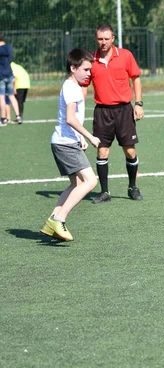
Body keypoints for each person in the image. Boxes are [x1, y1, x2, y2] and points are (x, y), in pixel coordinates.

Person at [40, 49, 101, 241]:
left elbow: (72, 120)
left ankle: (51, 221)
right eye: (85, 69)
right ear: (73, 68)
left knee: (76, 183)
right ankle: (60, 218)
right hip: (64, 143)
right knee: (91, 181)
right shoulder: (72, 87)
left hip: (66, 141)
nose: (88, 73)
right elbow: (70, 119)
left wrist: (79, 138)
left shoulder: (71, 85)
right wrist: (90, 137)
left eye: (90, 69)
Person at [81, 23, 144, 204]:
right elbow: (84, 87)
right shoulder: (90, 60)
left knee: (130, 151)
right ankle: (104, 192)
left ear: (113, 39)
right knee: (102, 151)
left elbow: (136, 78)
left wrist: (138, 104)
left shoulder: (125, 55)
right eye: (100, 39)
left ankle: (133, 187)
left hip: (124, 110)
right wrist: (78, 109)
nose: (103, 43)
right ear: (96, 39)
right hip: (102, 112)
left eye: (106, 39)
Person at [0, 32, 21, 126]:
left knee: (1, 97)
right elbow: (10, 59)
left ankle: (3, 118)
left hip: (1, 76)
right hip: (9, 74)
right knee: (11, 96)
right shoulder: (8, 47)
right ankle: (18, 116)